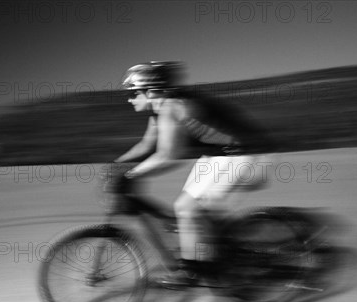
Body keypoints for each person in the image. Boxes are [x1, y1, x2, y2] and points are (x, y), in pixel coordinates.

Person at [114, 61, 272, 288]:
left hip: (247, 153)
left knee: (186, 208)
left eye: (133, 93)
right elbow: (146, 145)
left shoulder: (172, 107)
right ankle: (215, 256)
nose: (129, 99)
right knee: (192, 213)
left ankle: (191, 272)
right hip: (218, 155)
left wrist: (129, 175)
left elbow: (168, 156)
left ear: (150, 90)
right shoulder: (158, 112)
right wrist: (117, 164)